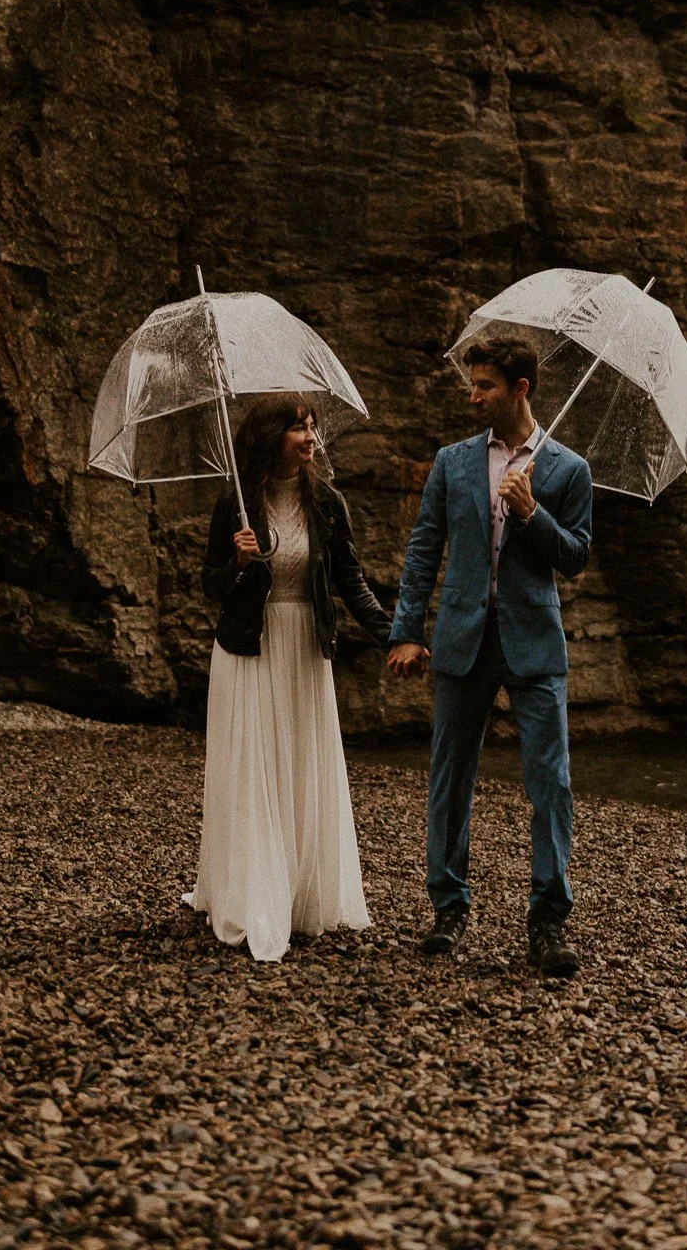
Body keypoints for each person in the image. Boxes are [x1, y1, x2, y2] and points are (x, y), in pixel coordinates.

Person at [387, 338, 593, 977]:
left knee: (550, 782)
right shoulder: (452, 463)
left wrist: (532, 514)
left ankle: (547, 923)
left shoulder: (567, 469)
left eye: (485, 386)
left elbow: (577, 556)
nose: (473, 396)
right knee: (451, 777)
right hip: (461, 640)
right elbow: (424, 550)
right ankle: (448, 908)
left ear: (521, 388)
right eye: (472, 385)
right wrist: (405, 631)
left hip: (535, 644)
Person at [185, 396, 390, 960]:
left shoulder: (327, 503)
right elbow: (210, 585)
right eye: (298, 428)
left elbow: (351, 579)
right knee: (256, 768)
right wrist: (239, 565)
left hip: (305, 650)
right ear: (270, 436)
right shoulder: (237, 503)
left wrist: (393, 634)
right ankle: (252, 895)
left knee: (300, 765)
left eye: (311, 428)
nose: (309, 438)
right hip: (249, 649)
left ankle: (301, 898)